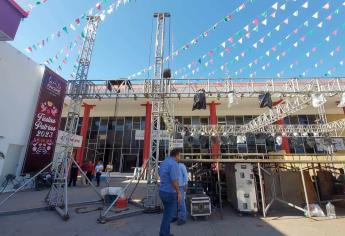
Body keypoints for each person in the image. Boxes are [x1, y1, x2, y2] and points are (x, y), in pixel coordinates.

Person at [159, 149, 182, 236]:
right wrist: (179, 192)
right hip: (169, 193)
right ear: (176, 155)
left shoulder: (164, 162)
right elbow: (174, 180)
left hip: (162, 191)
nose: (180, 157)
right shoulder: (174, 164)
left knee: (167, 213)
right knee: (168, 216)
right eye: (179, 155)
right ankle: (163, 234)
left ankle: (166, 233)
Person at [176, 161, 188, 225]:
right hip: (174, 186)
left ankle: (183, 218)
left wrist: (186, 185)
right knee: (176, 202)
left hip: (180, 186)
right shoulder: (172, 165)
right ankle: (177, 216)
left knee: (181, 202)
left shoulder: (181, 165)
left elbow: (185, 175)